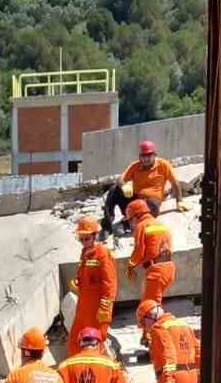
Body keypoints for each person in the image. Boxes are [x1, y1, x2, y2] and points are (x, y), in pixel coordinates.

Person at [101, 140, 181, 237]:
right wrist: (123, 185)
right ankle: (107, 225)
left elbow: (175, 183)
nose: (146, 159)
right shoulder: (135, 166)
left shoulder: (164, 165)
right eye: (143, 156)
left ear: (155, 155)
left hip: (151, 202)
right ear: (140, 156)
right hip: (135, 198)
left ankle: (129, 223)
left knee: (150, 206)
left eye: (149, 155)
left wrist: (179, 201)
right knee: (114, 189)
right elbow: (120, 179)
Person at [68, 218, 118, 353]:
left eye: (86, 239)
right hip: (84, 305)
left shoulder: (102, 254)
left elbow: (110, 282)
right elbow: (86, 275)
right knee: (75, 339)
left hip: (98, 308)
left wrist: (105, 307)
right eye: (81, 239)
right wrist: (77, 283)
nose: (83, 243)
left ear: (95, 236)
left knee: (96, 341)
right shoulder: (85, 253)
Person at [124, 199, 176, 320]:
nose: (131, 224)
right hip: (169, 268)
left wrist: (131, 265)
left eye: (130, 220)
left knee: (149, 309)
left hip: (156, 270)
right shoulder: (161, 225)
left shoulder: (141, 226)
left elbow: (139, 251)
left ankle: (150, 337)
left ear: (136, 216)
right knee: (154, 305)